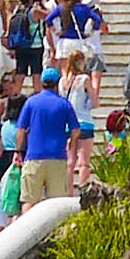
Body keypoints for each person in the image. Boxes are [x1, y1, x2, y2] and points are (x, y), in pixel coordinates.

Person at [16, 69, 85, 210]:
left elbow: (21, 129)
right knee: (57, 203)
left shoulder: (31, 102)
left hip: (34, 157)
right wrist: (71, 142)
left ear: (42, 83)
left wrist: (17, 151)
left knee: (29, 200)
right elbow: (76, 129)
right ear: (57, 83)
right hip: (57, 157)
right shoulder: (64, 104)